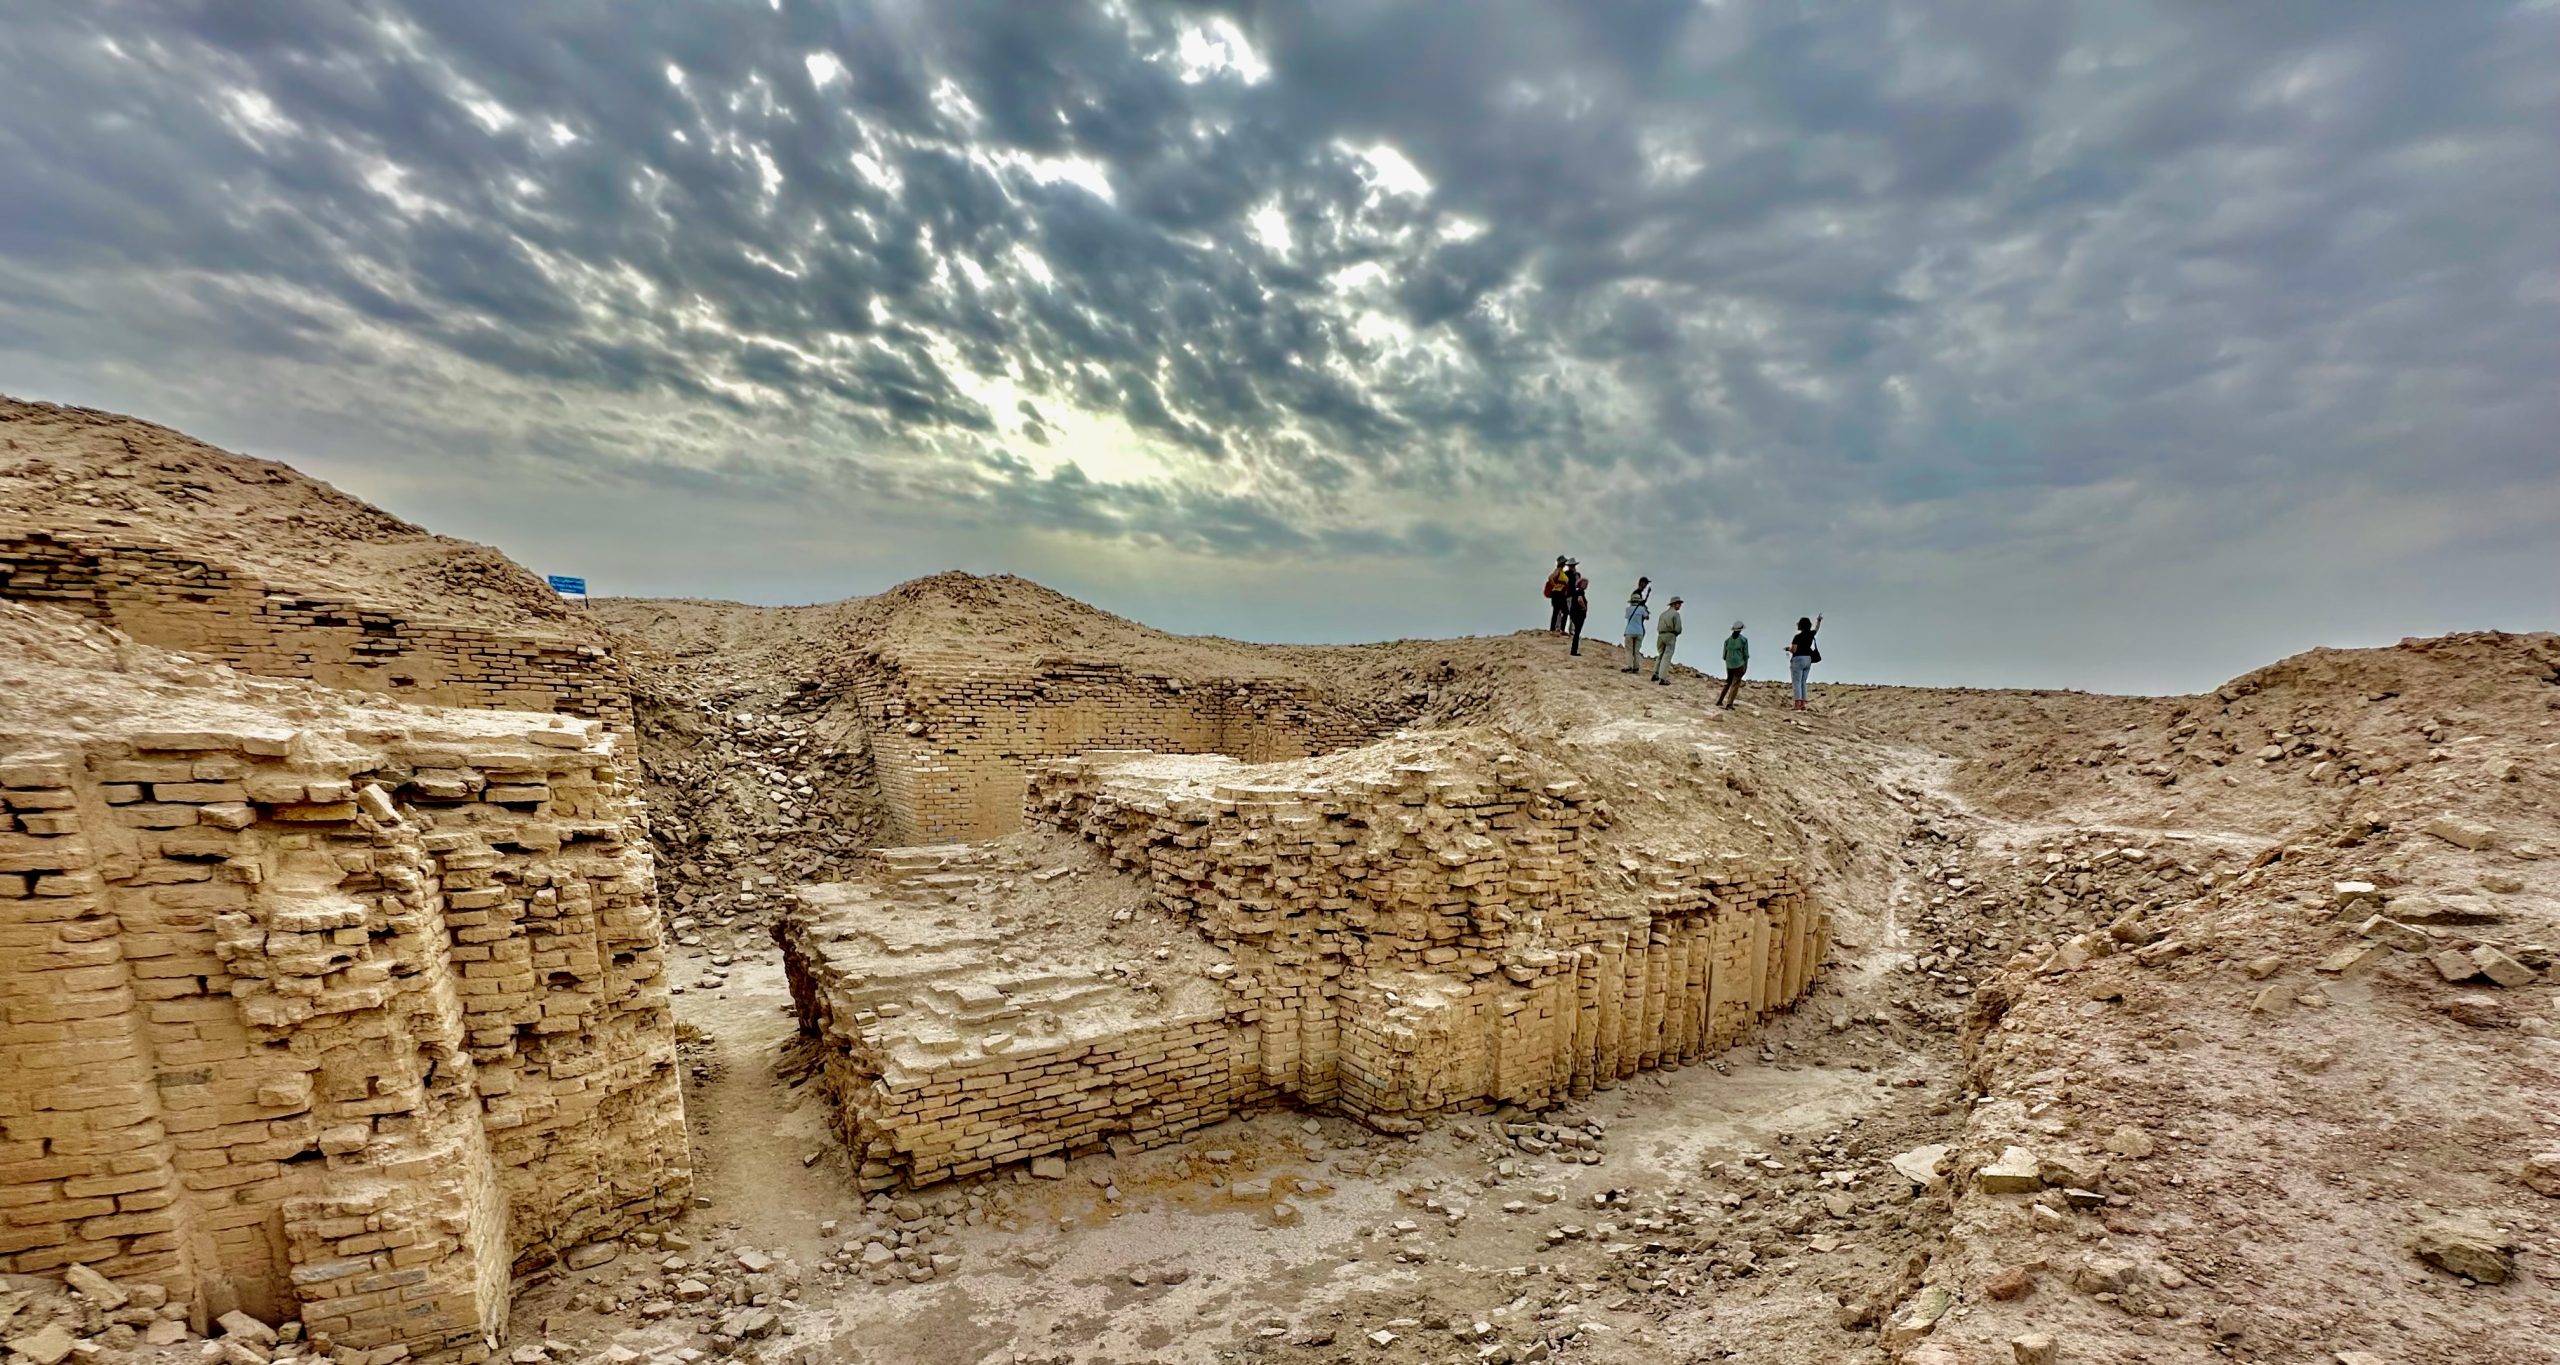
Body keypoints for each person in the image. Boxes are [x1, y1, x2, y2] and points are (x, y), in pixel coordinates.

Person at [1784, 613, 1823, 711]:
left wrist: (1788, 649)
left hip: (1798, 659)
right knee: (1803, 682)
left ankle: (1797, 704)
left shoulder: (1797, 637)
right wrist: (1818, 621)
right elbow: (1817, 629)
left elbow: (1794, 650)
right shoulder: (1810, 634)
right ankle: (1803, 704)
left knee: (1796, 682)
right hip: (1808, 659)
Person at [1621, 577, 1652, 672]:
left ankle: (1629, 665)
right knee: (1637, 651)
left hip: (1630, 630)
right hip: (1639, 630)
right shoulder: (1641, 608)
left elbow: (1627, 617)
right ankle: (1636, 666)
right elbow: (1647, 616)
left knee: (1629, 650)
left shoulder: (1628, 609)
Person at [1716, 621, 1748, 707]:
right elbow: (1745, 655)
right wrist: (1745, 667)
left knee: (1728, 682)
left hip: (1729, 665)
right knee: (1735, 684)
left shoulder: (1727, 641)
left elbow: (1724, 656)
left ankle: (1720, 700)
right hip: (1739, 664)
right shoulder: (1743, 640)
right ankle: (1729, 704)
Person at [1651, 597, 1683, 683]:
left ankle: (1655, 673)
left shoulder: (1662, 614)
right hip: (1670, 635)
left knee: (1660, 655)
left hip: (1660, 635)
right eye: (1678, 603)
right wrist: (1675, 634)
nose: (1680, 605)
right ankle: (1663, 678)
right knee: (1667, 656)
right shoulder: (1675, 614)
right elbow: (1678, 628)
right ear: (1674, 604)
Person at [1565, 567, 1590, 655]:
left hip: (1575, 613)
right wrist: (1584, 607)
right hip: (1578, 614)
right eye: (1585, 583)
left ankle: (1574, 650)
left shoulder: (1577, 591)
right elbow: (1580, 600)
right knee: (1577, 632)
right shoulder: (1580, 591)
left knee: (1577, 632)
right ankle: (1574, 650)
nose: (1586, 585)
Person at [1543, 556, 1571, 634]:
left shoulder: (1562, 572)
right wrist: (1555, 585)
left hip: (1561, 593)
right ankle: (1554, 629)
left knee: (1564, 611)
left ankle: (1560, 629)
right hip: (1557, 592)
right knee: (1558, 611)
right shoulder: (1558, 571)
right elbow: (1550, 578)